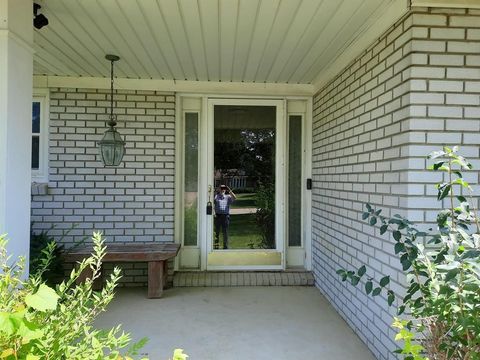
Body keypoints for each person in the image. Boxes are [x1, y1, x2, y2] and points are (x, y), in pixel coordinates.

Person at [214, 184, 236, 249]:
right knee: (216, 232)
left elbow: (235, 197)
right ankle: (216, 246)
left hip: (225, 217)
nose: (223, 189)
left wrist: (230, 191)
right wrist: (216, 190)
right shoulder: (216, 196)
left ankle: (225, 247)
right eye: (221, 188)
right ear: (219, 189)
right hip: (218, 216)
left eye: (224, 188)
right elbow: (211, 199)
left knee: (225, 233)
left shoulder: (228, 197)